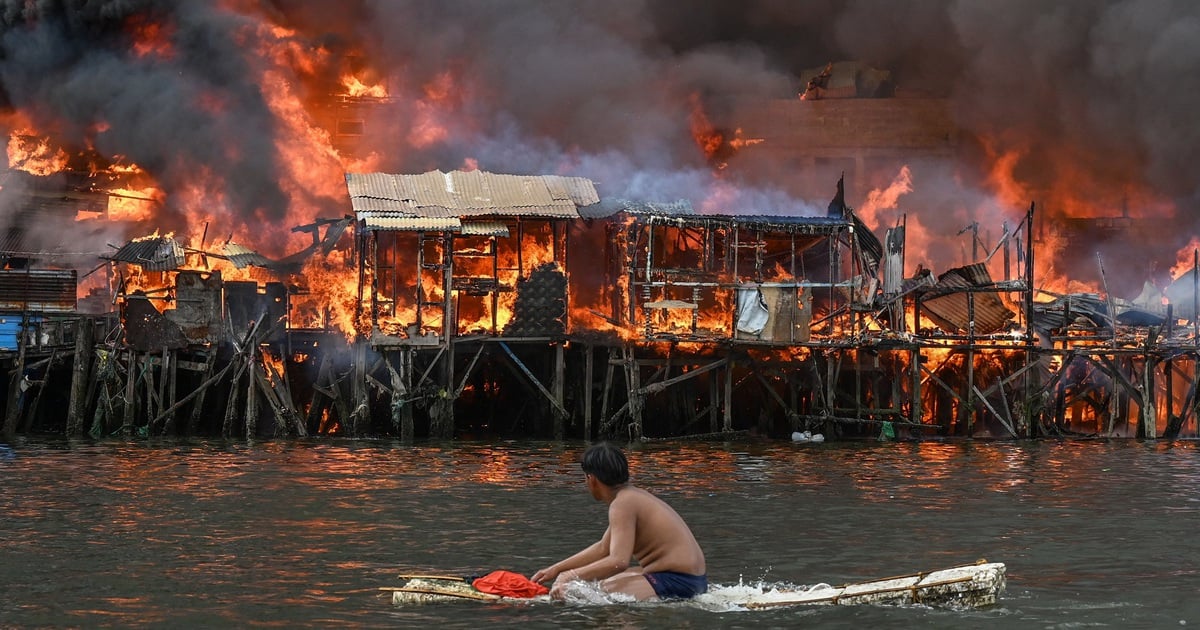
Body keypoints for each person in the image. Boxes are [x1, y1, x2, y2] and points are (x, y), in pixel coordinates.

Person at [531, 442, 707, 601]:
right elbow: (603, 548)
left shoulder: (622, 504)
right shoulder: (630, 497)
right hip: (691, 579)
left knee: (599, 592)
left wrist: (568, 576)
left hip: (680, 581)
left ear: (591, 479)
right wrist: (555, 570)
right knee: (599, 583)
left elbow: (618, 561)